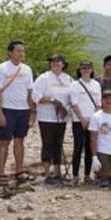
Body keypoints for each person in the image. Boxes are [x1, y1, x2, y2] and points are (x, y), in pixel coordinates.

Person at [0, 39, 35, 184]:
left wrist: (32, 112)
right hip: (7, 109)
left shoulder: (27, 69)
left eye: (22, 51)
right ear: (10, 52)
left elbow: (30, 91)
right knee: (4, 141)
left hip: (23, 110)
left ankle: (19, 170)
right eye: (18, 51)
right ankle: (1, 173)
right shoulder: (1, 68)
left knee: (20, 141)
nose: (21, 53)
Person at [32, 54, 74, 183]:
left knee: (59, 143)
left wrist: (67, 109)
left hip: (62, 117)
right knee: (47, 143)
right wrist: (52, 100)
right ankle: (46, 173)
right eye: (53, 62)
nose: (56, 64)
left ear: (63, 64)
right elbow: (35, 96)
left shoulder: (68, 79)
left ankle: (57, 171)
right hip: (46, 117)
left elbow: (73, 97)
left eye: (59, 62)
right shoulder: (43, 78)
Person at [70, 60, 102, 185]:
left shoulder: (96, 85)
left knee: (90, 148)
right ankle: (75, 175)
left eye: (88, 68)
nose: (86, 70)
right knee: (78, 148)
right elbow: (74, 103)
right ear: (80, 70)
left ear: (92, 70)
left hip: (92, 121)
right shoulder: (75, 84)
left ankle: (87, 175)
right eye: (83, 68)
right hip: (79, 121)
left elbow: (99, 104)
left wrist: (94, 119)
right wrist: (82, 119)